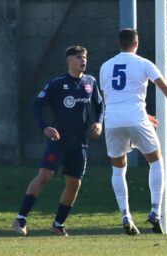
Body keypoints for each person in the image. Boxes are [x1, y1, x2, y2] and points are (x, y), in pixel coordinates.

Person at [100, 28, 167, 235]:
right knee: (156, 162)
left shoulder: (106, 66)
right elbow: (166, 89)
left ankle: (125, 215)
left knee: (118, 169)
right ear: (136, 43)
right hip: (136, 118)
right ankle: (155, 211)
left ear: (118, 43)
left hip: (112, 120)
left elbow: (112, 96)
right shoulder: (143, 63)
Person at [13, 46, 104, 236]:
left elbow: (100, 105)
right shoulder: (57, 83)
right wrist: (45, 127)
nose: (83, 60)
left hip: (79, 143)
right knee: (45, 175)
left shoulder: (90, 82)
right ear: (69, 60)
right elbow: (37, 105)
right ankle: (21, 218)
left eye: (85, 57)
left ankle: (58, 224)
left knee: (74, 184)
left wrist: (99, 122)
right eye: (79, 57)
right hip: (58, 141)